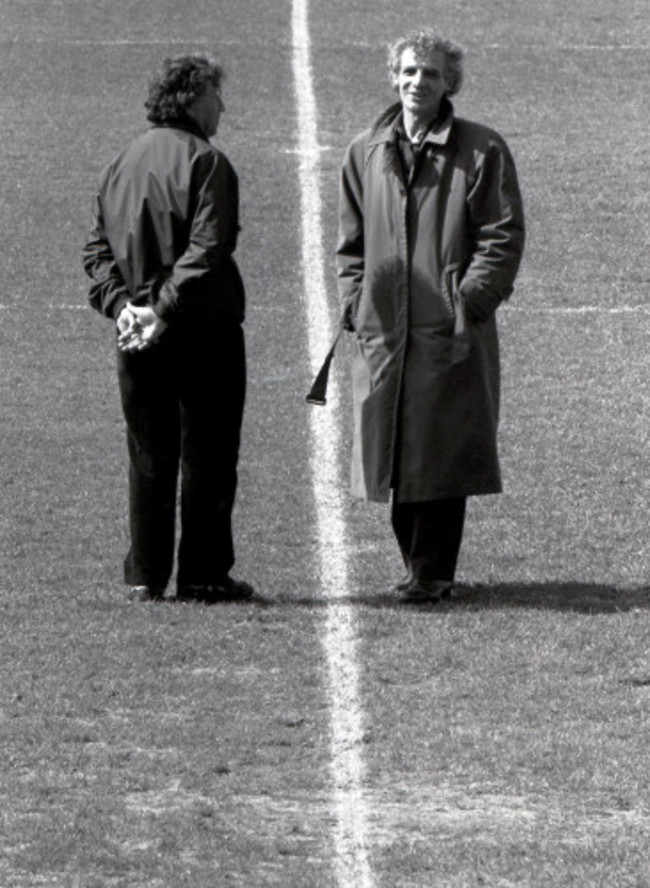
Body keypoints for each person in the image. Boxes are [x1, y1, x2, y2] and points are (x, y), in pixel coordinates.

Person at [336, 29, 525, 602]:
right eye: (411, 71)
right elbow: (352, 243)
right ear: (395, 75)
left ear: (451, 84)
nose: (419, 82)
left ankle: (432, 573)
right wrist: (354, 302)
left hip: (447, 327)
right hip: (385, 327)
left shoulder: (481, 149)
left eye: (433, 74)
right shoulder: (365, 149)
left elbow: (501, 235)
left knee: (439, 448)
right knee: (393, 444)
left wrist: (465, 303)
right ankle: (420, 569)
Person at [82, 54, 254, 603]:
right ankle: (203, 574)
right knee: (208, 452)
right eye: (214, 95)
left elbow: (96, 251)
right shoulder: (207, 162)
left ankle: (144, 574)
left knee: (149, 453)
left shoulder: (119, 162)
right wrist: (163, 308)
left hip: (135, 334)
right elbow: (208, 249)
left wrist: (123, 308)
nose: (222, 105)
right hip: (203, 332)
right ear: (191, 97)